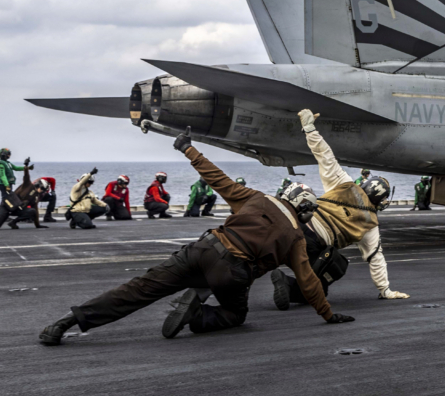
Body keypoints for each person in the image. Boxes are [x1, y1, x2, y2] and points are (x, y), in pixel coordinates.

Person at [38, 128, 355, 346]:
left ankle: (64, 323)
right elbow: (310, 282)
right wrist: (328, 314)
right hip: (232, 273)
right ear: (304, 213)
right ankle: (198, 313)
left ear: (287, 194)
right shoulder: (297, 238)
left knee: (137, 289)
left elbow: (216, 178)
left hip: (202, 249)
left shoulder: (257, 198)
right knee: (235, 314)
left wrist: (188, 148)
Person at [270, 109, 410, 310]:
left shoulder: (344, 183)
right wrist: (385, 290)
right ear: (380, 200)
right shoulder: (370, 225)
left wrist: (309, 128)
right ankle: (289, 285)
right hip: (312, 244)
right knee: (332, 272)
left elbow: (324, 154)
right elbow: (376, 258)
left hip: (295, 222)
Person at [0, 165, 48, 230]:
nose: (43, 192)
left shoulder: (36, 197)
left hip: (16, 209)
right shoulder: (28, 185)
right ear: (39, 186)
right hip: (7, 205)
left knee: (32, 211)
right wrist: (26, 167)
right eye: (43, 189)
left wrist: (38, 225)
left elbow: (36, 210)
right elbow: (26, 176)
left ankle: (13, 222)